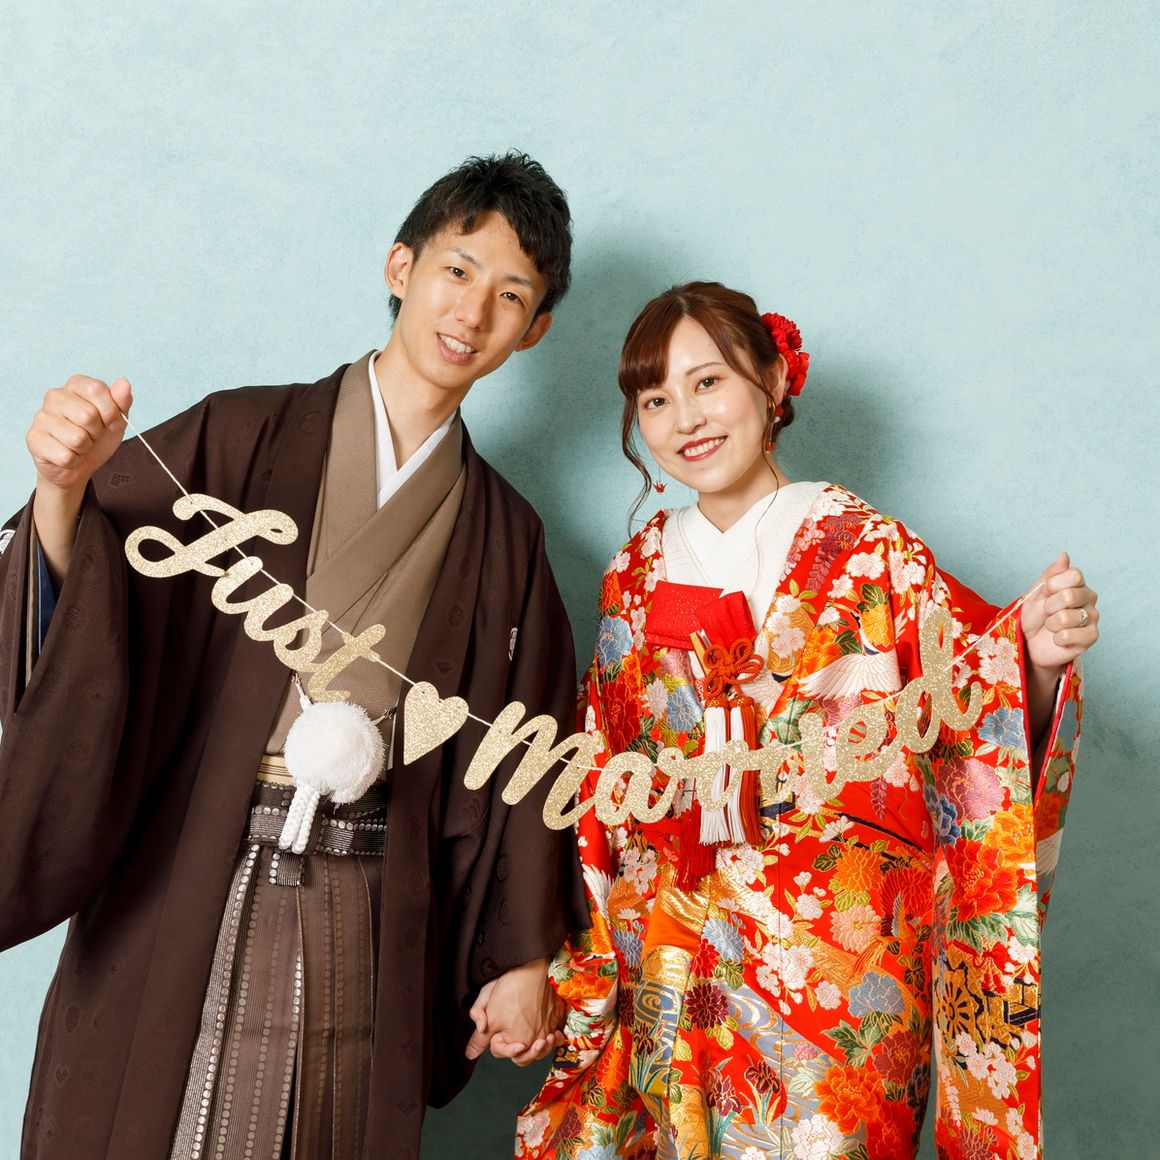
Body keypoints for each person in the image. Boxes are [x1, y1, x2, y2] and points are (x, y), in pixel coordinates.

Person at [0, 151, 587, 1160]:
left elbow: (528, 761)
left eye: (510, 295)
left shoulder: (507, 535)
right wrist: (61, 489)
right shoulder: (240, 433)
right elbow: (97, 584)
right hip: (190, 863)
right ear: (400, 266)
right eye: (456, 270)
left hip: (369, 891)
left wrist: (522, 952)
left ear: (532, 331)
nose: (472, 311)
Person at [517, 282, 1098, 1159]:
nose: (686, 418)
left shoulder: (869, 551)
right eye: (656, 399)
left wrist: (1039, 661)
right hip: (671, 953)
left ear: (774, 381)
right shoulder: (634, 573)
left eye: (708, 382)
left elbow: (973, 703)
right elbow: (601, 772)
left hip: (840, 970)